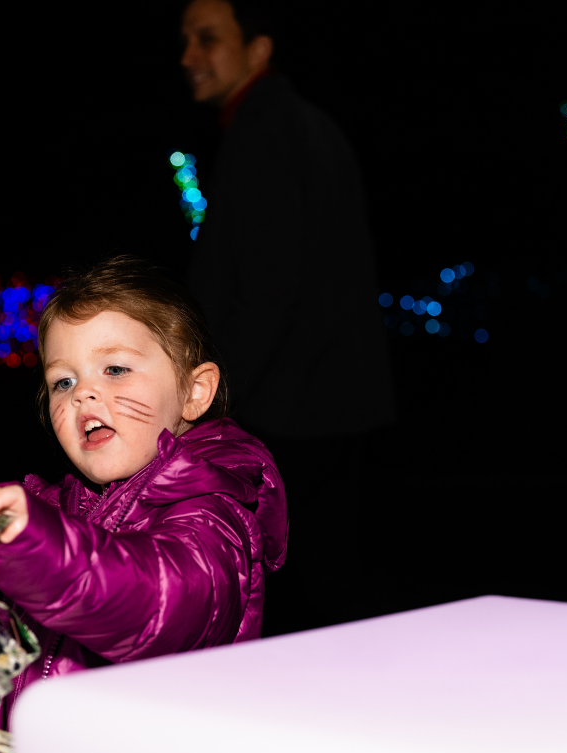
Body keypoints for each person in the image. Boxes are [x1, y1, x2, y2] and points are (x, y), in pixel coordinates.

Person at [0, 258, 287, 730]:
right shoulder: (62, 511)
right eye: (63, 381)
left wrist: (36, 546)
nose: (83, 393)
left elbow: (162, 601)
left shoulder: (215, 511)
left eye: (116, 369)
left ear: (194, 392)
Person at [181, 0, 395, 634]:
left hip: (291, 413)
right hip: (334, 402)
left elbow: (269, 290)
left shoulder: (262, 133)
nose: (189, 56)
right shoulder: (308, 126)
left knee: (292, 607)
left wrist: (208, 400)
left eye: (208, 39)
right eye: (186, 40)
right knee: (331, 595)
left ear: (259, 49)